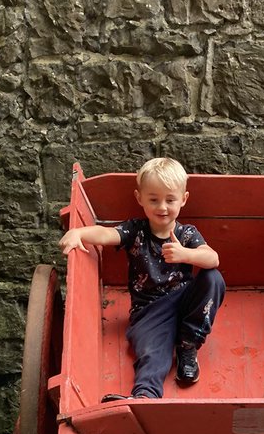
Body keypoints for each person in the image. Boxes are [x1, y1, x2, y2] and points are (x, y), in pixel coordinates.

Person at [58, 156, 225, 398]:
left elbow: (213, 258)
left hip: (183, 299)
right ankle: (145, 396)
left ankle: (188, 345)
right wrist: (79, 232)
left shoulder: (186, 234)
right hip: (149, 310)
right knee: (153, 353)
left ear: (184, 200)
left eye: (170, 200)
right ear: (140, 199)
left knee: (213, 278)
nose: (163, 207)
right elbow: (106, 234)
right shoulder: (136, 230)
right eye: (154, 200)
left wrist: (185, 254)